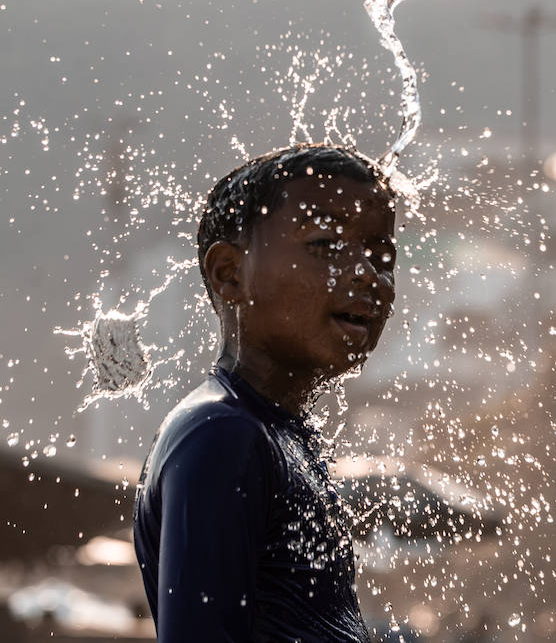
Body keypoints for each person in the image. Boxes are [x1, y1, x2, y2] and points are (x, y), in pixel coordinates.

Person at [134, 144, 398, 641]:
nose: (368, 275)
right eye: (325, 245)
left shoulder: (276, 436)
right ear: (229, 274)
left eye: (382, 256)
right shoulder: (220, 439)